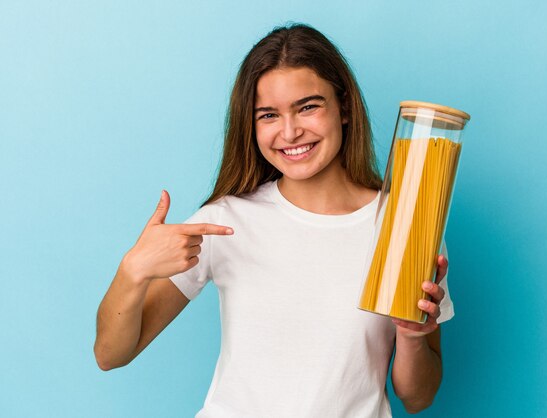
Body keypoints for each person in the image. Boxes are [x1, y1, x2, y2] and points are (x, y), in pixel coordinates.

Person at [94, 23, 454, 417]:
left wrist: (412, 336)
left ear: (345, 107)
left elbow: (418, 398)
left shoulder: (404, 228)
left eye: (308, 106)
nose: (290, 131)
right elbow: (111, 354)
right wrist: (133, 270)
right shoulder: (225, 222)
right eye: (268, 114)